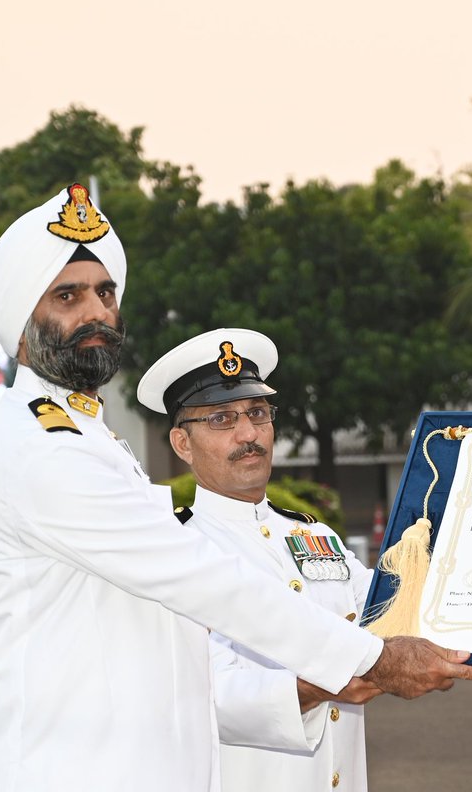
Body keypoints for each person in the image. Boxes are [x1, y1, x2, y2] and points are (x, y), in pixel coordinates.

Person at [0, 184, 472, 792]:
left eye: (105, 292)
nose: (96, 311)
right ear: (18, 325)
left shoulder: (85, 435)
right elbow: (199, 577)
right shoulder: (45, 450)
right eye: (68, 296)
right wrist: (371, 659)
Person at [137, 327, 376, 792]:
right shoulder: (170, 553)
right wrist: (328, 682)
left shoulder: (315, 536)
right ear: (182, 444)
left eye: (257, 413)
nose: (249, 434)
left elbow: (389, 612)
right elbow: (194, 693)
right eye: (222, 419)